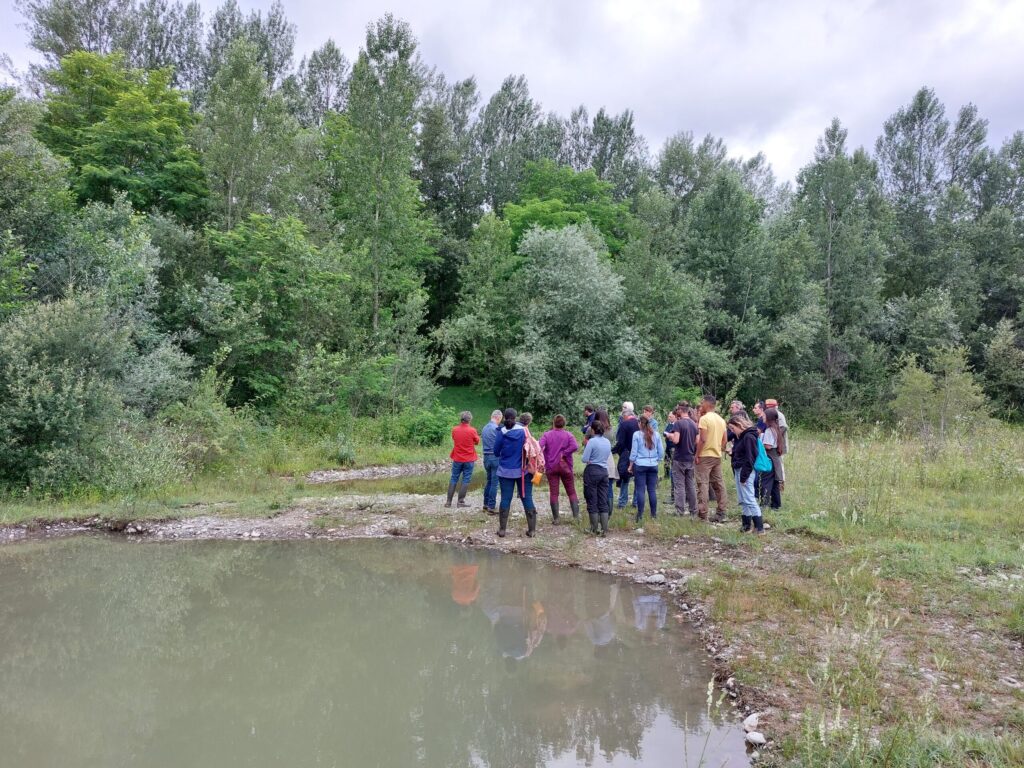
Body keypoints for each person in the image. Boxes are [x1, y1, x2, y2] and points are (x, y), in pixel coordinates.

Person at [492, 408, 538, 538]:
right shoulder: (524, 431)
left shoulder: (501, 432)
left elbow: (496, 451)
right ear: (516, 417)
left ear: (504, 417)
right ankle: (532, 531)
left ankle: (502, 530)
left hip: (505, 471)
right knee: (527, 497)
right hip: (523, 471)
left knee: (505, 498)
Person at [540, 415, 580, 523]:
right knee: (571, 491)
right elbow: (575, 446)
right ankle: (576, 517)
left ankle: (556, 519)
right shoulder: (568, 435)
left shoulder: (547, 435)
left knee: (554, 493)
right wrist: (564, 453)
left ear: (553, 423)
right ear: (564, 424)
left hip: (551, 466)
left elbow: (540, 446)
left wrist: (544, 456)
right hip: (565, 466)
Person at [727, 413, 763, 533]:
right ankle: (746, 525)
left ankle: (759, 527)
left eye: (733, 428)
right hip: (739, 469)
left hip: (745, 471)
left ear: (739, 425)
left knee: (749, 498)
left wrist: (744, 477)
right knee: (742, 498)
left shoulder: (749, 437)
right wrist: (733, 453)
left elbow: (750, 458)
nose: (732, 431)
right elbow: (742, 452)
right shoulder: (742, 436)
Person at [695, 395, 728, 522]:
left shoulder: (704, 419)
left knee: (702, 484)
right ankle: (721, 512)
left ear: (707, 404)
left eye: (702, 402)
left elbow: (702, 439)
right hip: (716, 456)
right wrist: (719, 448)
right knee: (719, 484)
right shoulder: (721, 420)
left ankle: (703, 515)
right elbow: (725, 440)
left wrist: (697, 455)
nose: (701, 404)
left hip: (704, 456)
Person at [629, 414, 664, 525]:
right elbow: (661, 451)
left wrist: (630, 465)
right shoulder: (656, 434)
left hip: (640, 465)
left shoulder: (637, 435)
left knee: (640, 490)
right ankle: (653, 514)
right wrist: (657, 460)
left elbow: (634, 452)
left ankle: (640, 515)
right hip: (653, 464)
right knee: (652, 490)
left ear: (640, 423)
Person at [667, 405, 699, 516]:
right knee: (690, 485)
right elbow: (697, 441)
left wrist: (670, 435)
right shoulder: (694, 424)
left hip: (679, 457)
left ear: (681, 411)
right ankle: (693, 510)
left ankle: (680, 510)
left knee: (679, 485)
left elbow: (676, 440)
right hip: (690, 457)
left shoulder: (678, 423)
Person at [581, 420, 612, 535]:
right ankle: (604, 529)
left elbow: (584, 459)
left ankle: (594, 528)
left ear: (593, 430)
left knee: (592, 500)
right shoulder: (607, 442)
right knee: (603, 500)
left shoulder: (592, 441)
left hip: (592, 471)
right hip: (604, 471)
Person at [447, 411, 479, 508]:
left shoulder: (455, 429)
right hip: (469, 459)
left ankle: (448, 502)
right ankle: (460, 502)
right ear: (469, 420)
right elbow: (477, 441)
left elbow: (454, 438)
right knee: (466, 479)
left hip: (457, 458)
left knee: (453, 478)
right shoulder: (472, 430)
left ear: (461, 419)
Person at [613, 403, 640, 508]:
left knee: (624, 477)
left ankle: (622, 502)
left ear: (625, 416)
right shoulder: (639, 423)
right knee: (638, 477)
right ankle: (636, 502)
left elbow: (620, 442)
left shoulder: (624, 424)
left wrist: (614, 450)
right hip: (638, 453)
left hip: (626, 453)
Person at [760, 407, 785, 511]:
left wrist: (761, 443)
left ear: (769, 418)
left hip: (770, 458)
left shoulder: (769, 430)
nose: (762, 417)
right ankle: (776, 504)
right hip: (775, 459)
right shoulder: (776, 428)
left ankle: (764, 504)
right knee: (774, 483)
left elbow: (768, 446)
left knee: (766, 481)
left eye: (764, 415)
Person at [480, 410, 503, 515]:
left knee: (488, 481)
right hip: (495, 457)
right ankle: (491, 507)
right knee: (495, 483)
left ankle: (485, 504)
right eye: (500, 419)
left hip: (486, 457)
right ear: (498, 418)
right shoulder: (497, 429)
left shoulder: (484, 428)